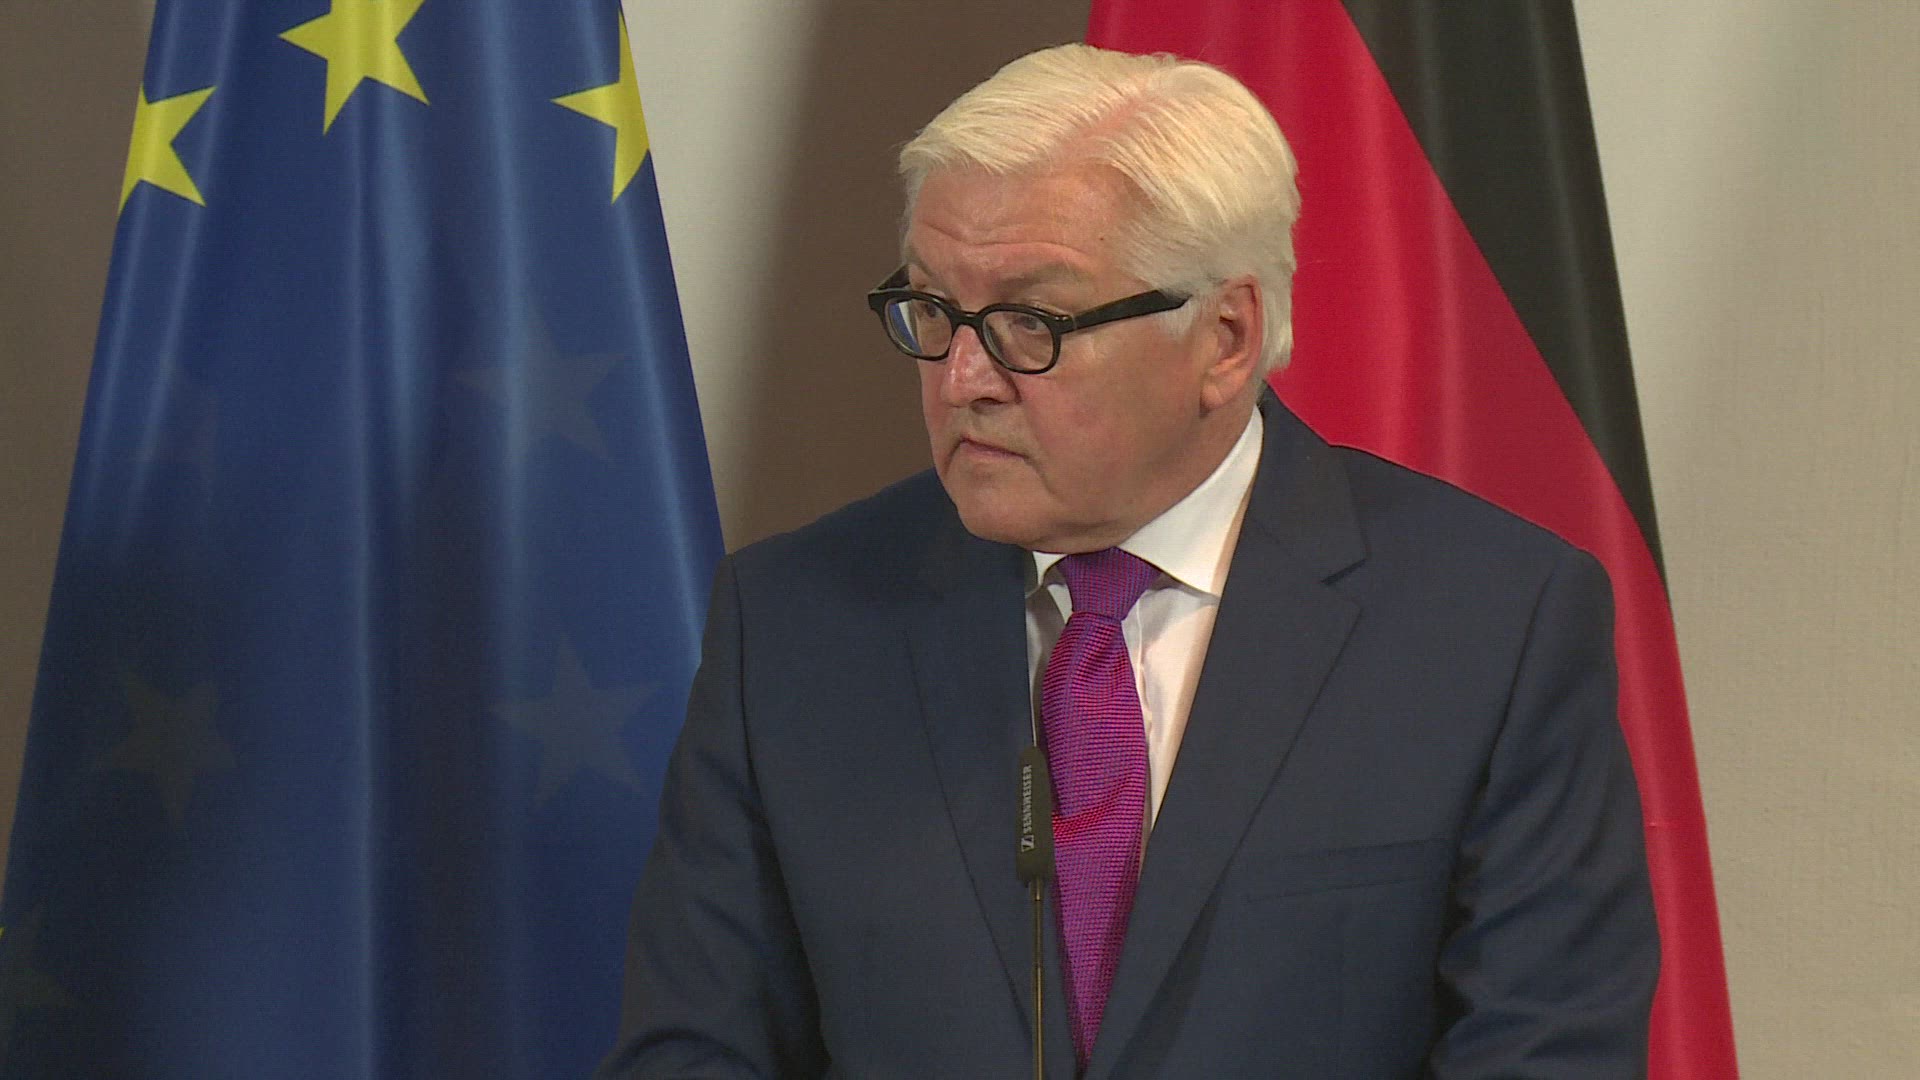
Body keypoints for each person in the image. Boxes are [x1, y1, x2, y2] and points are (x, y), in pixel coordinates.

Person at [599, 43, 1657, 1079]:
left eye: (1029, 323)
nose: (964, 378)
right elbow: (692, 1050)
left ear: (1225, 338)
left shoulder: (1491, 625)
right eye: (934, 310)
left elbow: (1548, 1051)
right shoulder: (794, 624)